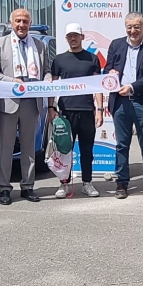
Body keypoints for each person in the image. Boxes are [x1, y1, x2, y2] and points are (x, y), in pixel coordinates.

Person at [0, 7, 53, 205]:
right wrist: (12, 81)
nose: (21, 24)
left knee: (28, 149)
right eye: (18, 21)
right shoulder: (0, 43)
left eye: (25, 21)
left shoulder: (40, 45)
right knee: (6, 149)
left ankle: (28, 186)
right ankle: (5, 189)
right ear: (11, 23)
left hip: (32, 103)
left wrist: (49, 79)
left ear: (30, 24)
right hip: (8, 103)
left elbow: (47, 71)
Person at [104, 13, 143, 200]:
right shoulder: (116, 44)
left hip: (142, 101)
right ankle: (121, 183)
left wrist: (131, 87)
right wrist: (110, 72)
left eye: (137, 26)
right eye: (129, 26)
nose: (133, 30)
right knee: (122, 145)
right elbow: (107, 68)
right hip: (120, 102)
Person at [50, 22, 103, 199]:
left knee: (87, 150)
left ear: (82, 37)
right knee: (64, 151)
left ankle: (87, 183)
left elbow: (98, 86)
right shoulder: (59, 59)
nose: (73, 39)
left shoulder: (92, 58)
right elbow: (53, 86)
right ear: (66, 38)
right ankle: (64, 184)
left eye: (75, 35)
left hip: (87, 110)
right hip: (66, 112)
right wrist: (51, 107)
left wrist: (100, 110)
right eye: (69, 36)